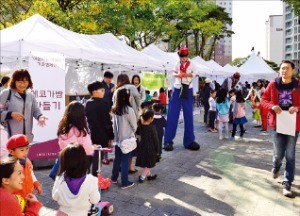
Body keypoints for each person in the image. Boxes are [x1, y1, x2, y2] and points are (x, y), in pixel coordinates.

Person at [261, 60, 300, 197]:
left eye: (287, 68)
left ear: (293, 70)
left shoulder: (298, 85)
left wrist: (297, 108)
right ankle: (276, 166)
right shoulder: (273, 84)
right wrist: (272, 106)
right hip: (277, 123)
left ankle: (287, 182)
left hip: (293, 124)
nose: (284, 71)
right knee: (278, 154)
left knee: (290, 155)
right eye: (282, 68)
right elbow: (264, 100)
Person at [164, 47, 200, 151]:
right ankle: (168, 141)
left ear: (187, 56)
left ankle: (189, 141)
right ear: (179, 56)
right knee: (172, 115)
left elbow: (194, 74)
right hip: (177, 88)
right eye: (182, 57)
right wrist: (178, 75)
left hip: (187, 89)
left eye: (185, 57)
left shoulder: (192, 64)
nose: (183, 59)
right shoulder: (177, 63)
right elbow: (174, 73)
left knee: (188, 114)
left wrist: (185, 74)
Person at [52, 143, 100, 215]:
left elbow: (55, 197)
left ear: (64, 162)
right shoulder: (92, 180)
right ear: (84, 160)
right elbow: (95, 200)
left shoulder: (60, 178)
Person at [0, 69, 47, 142]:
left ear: (29, 82)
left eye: (25, 81)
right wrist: (11, 114)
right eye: (19, 82)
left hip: (26, 139)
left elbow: (35, 110)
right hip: (9, 139)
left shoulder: (30, 96)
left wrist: (40, 117)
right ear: (14, 81)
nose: (22, 84)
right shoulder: (6, 93)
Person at [55, 101, 94, 177]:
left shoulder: (63, 129)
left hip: (65, 164)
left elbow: (61, 146)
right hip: (78, 166)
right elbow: (88, 150)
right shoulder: (82, 132)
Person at [113, 74, 140, 173]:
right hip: (132, 118)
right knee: (131, 144)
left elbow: (114, 106)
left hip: (119, 120)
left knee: (120, 144)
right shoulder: (132, 87)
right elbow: (138, 100)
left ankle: (120, 166)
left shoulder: (116, 91)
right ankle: (130, 167)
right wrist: (137, 113)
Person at [85, 81, 114, 173]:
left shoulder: (87, 103)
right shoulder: (103, 104)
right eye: (102, 90)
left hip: (89, 136)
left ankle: (85, 177)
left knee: (89, 157)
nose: (103, 92)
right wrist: (111, 136)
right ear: (94, 92)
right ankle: (95, 180)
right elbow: (107, 123)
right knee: (97, 159)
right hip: (101, 136)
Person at [111, 88, 137, 189]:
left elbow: (114, 125)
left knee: (117, 159)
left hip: (118, 139)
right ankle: (125, 182)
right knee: (125, 161)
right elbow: (134, 126)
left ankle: (113, 178)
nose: (130, 97)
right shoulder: (128, 110)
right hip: (127, 139)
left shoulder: (115, 108)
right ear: (126, 97)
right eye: (129, 95)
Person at [136, 108, 159, 183]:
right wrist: (158, 150)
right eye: (153, 117)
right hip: (150, 148)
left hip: (142, 147)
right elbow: (156, 140)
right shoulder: (152, 128)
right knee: (149, 164)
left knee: (147, 162)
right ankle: (142, 177)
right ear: (150, 118)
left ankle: (149, 175)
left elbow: (138, 134)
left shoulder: (140, 126)